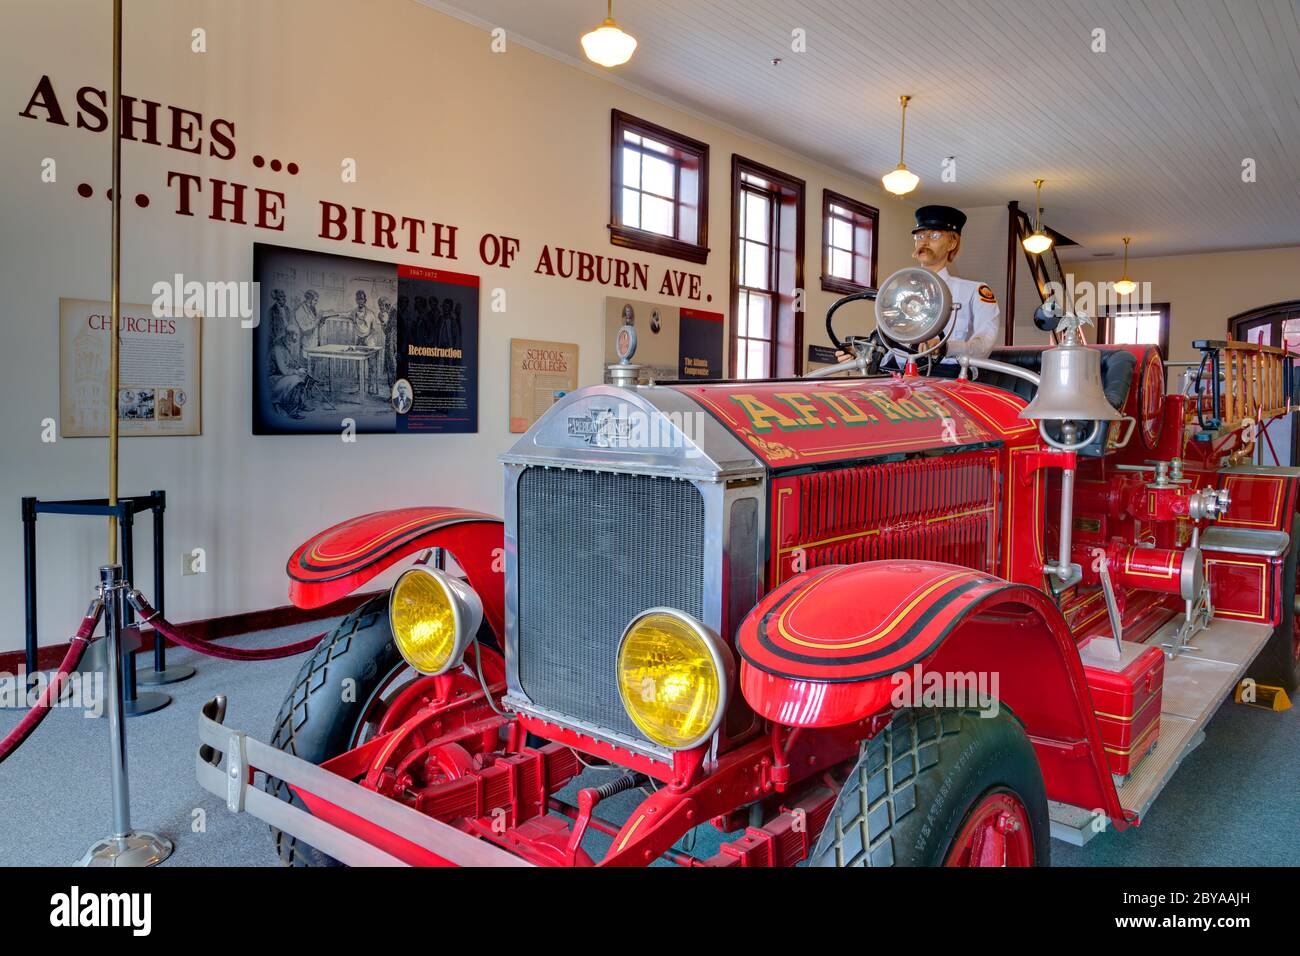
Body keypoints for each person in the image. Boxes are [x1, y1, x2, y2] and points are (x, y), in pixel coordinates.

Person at [908, 205, 1000, 361]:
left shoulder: (974, 292)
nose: (924, 242)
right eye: (920, 236)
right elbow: (885, 342)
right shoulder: (899, 292)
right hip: (900, 374)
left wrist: (945, 347)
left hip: (951, 374)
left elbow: (984, 344)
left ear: (952, 243)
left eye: (934, 236)